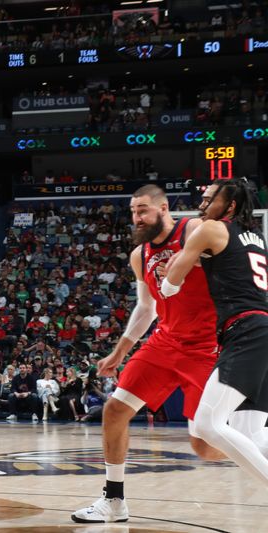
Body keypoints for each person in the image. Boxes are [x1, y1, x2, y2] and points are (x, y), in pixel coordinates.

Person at [73, 184, 224, 524]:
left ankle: (254, 442)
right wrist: (119, 352)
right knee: (114, 411)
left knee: (205, 445)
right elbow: (147, 307)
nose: (136, 217)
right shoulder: (139, 254)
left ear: (164, 208)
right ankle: (114, 501)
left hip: (207, 347)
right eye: (132, 211)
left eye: (142, 209)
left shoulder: (195, 230)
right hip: (165, 342)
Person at [164, 179, 268, 485]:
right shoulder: (256, 237)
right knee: (250, 433)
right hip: (262, 328)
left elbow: (170, 285)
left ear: (230, 206)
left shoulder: (210, 229)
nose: (202, 206)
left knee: (209, 425)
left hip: (247, 331)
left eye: (209, 201)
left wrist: (173, 267)